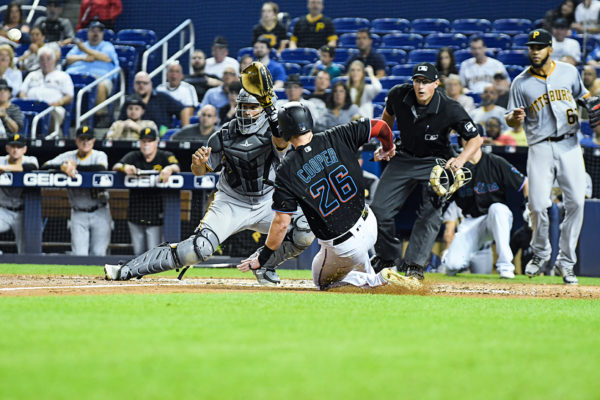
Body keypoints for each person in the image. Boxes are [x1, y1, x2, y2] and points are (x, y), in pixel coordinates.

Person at [104, 88, 315, 286]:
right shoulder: (224, 135)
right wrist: (198, 164)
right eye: (243, 106)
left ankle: (264, 264)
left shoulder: (276, 133)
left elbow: (281, 143)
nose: (246, 111)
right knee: (197, 249)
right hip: (231, 202)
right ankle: (128, 269)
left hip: (267, 200)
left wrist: (271, 110)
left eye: (252, 107)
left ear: (264, 109)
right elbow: (201, 170)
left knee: (306, 229)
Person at [237, 102, 421, 290]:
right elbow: (381, 127)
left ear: (285, 131)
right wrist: (388, 147)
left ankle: (379, 280)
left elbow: (282, 223)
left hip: (345, 246)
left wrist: (263, 257)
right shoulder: (336, 135)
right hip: (369, 224)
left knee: (323, 283)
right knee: (344, 262)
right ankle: (373, 275)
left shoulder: (287, 169)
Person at [369, 62, 483, 280]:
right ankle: (387, 257)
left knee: (431, 210)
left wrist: (459, 159)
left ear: (436, 84)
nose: (420, 87)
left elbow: (475, 139)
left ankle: (415, 265)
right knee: (378, 209)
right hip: (404, 157)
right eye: (417, 81)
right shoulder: (398, 95)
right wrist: (386, 145)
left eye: (426, 82)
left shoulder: (450, 107)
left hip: (435, 161)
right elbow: (386, 120)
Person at [506, 28, 589, 285]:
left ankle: (566, 263)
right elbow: (510, 119)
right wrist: (514, 119)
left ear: (550, 49)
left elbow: (584, 96)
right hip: (540, 146)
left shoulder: (569, 71)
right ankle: (540, 253)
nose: (535, 51)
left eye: (539, 47)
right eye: (531, 47)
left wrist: (592, 102)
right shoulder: (520, 82)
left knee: (576, 202)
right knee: (538, 205)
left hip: (570, 145)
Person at [441, 138, 528, 279]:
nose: (468, 141)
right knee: (452, 266)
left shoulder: (495, 161)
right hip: (471, 221)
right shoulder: (457, 168)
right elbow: (444, 197)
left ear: (480, 141)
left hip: (494, 218)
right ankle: (449, 256)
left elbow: (525, 182)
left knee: (498, 208)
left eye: (471, 138)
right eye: (465, 139)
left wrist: (528, 204)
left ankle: (505, 267)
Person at [41, 126, 111, 256]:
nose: (85, 142)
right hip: (78, 212)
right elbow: (44, 166)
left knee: (99, 253)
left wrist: (75, 167)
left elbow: (100, 168)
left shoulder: (99, 155)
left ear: (93, 141)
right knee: (79, 254)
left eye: (88, 139)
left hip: (100, 210)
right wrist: (61, 167)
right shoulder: (68, 156)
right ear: (76, 141)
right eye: (82, 139)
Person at [112, 127, 180, 255]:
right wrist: (125, 167)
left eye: (149, 141)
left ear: (156, 142)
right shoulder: (134, 156)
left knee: (153, 254)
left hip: (156, 214)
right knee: (138, 254)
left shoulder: (164, 155)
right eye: (143, 141)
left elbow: (176, 166)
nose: (146, 144)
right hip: (135, 213)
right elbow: (116, 165)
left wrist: (169, 169)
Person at [65, 20, 119, 125]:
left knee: (101, 86)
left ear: (102, 34)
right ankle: (69, 116)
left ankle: (99, 117)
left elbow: (106, 58)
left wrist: (85, 50)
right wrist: (83, 57)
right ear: (88, 32)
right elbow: (68, 59)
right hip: (77, 76)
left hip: (100, 78)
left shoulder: (107, 46)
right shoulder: (80, 46)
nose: (95, 33)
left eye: (99, 31)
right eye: (93, 30)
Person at [0, 133, 38, 254]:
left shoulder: (31, 159)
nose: (15, 150)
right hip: (3, 211)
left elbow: (30, 167)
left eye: (19, 147)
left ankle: (25, 271)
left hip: (23, 212)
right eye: (13, 146)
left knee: (25, 248)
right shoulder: (1, 160)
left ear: (24, 149)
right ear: (7, 148)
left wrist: (5, 168)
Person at [118, 71, 188, 135]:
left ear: (151, 84)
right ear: (133, 84)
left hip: (160, 138)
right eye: (138, 83)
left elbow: (182, 109)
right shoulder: (129, 101)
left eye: (145, 83)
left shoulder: (162, 97)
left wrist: (185, 131)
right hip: (132, 139)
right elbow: (120, 122)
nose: (141, 85)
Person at [19, 45, 73, 127]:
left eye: (48, 59)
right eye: (42, 59)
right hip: (30, 107)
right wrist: (26, 101)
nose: (45, 62)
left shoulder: (63, 76)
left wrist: (58, 102)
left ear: (54, 60)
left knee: (53, 114)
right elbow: (22, 92)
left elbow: (69, 96)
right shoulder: (32, 74)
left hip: (52, 107)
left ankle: (47, 138)